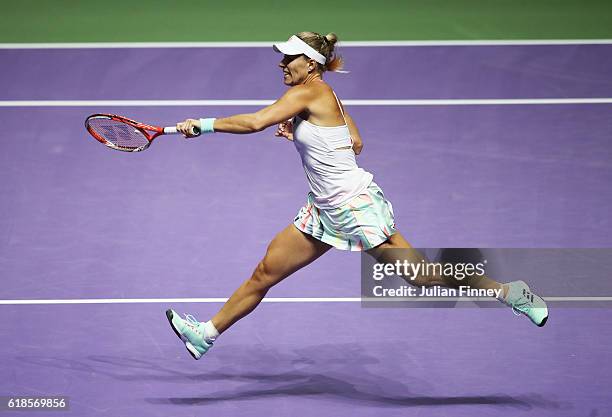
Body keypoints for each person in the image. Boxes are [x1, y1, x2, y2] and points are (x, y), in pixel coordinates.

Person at [167, 32, 548, 360]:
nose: (282, 63)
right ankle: (206, 335)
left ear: (311, 64)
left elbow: (254, 122)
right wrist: (302, 130)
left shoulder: (310, 93)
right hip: (323, 211)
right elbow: (356, 141)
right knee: (264, 273)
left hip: (354, 208)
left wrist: (200, 125)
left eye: (289, 58)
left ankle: (510, 292)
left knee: (422, 276)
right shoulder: (320, 97)